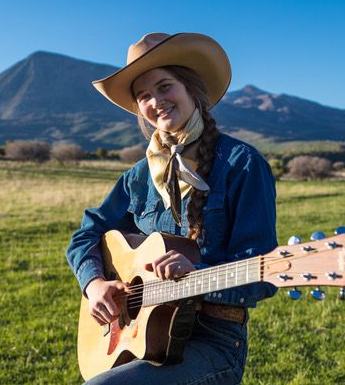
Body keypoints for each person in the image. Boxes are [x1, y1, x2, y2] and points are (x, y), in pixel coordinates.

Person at [66, 32, 278, 384]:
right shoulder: (138, 176)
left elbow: (265, 270)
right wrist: (95, 284)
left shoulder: (243, 165)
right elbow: (87, 233)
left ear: (191, 88)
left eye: (165, 87)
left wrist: (196, 272)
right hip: (145, 337)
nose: (156, 101)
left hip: (213, 340)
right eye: (144, 96)